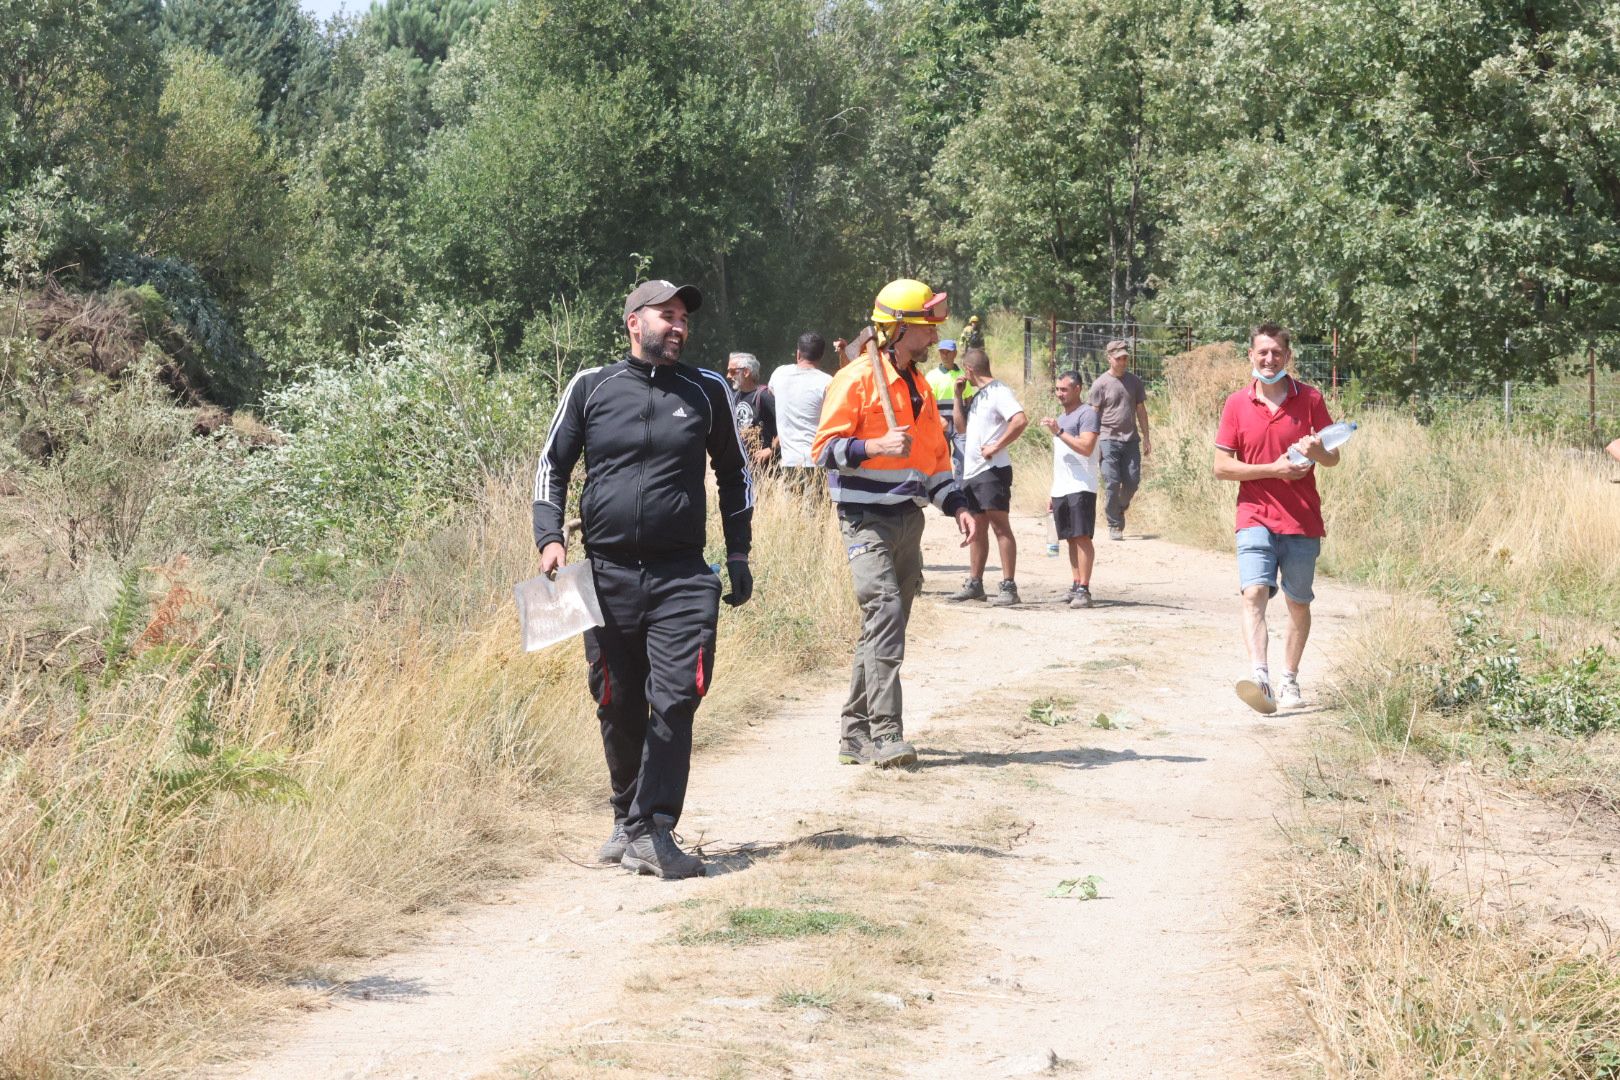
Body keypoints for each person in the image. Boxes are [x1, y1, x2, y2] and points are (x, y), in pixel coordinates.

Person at [533, 279, 755, 879]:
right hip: (603, 574)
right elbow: (552, 465)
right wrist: (549, 537)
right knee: (616, 699)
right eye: (667, 315)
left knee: (678, 695)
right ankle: (624, 817)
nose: (679, 326)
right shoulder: (590, 386)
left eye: (684, 317)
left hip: (682, 574)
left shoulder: (706, 390)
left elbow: (735, 476)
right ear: (634, 322)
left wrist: (739, 555)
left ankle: (653, 827)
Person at [813, 278, 976, 768]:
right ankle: (886, 735)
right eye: (927, 328)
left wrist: (958, 506)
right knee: (884, 616)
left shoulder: (920, 387)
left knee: (882, 627)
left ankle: (853, 734)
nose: (934, 338)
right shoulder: (857, 378)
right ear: (899, 328)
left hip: (908, 521)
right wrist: (873, 447)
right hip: (865, 521)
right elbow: (823, 451)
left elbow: (934, 467)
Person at [1213, 323, 1340, 715]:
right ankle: (1261, 678)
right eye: (1262, 352)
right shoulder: (1236, 403)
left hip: (1302, 520)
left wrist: (1317, 450)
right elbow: (1221, 467)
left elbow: (1333, 458)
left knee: (1297, 603)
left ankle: (1288, 678)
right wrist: (1272, 469)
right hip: (1254, 515)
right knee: (1253, 594)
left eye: (1277, 353)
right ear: (1250, 356)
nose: (1269, 360)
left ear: (1288, 357)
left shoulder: (1311, 399)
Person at [947, 348, 1027, 606]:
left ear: (969, 369)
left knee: (999, 526)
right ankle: (975, 583)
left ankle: (1008, 585)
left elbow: (1020, 420)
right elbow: (960, 429)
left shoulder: (999, 392)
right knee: (977, 528)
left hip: (992, 471)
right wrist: (957, 397)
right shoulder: (979, 395)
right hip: (972, 472)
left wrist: (996, 446)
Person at [1040, 370, 1101, 609]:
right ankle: (1076, 584)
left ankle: (1085, 589)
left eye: (1064, 389)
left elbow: (1086, 447)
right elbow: (1060, 458)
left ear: (1078, 389)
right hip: (1063, 487)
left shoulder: (1087, 414)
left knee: (1082, 536)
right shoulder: (1061, 417)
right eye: (1057, 389)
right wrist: (1053, 492)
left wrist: (1059, 432)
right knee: (1070, 539)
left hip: (1082, 486)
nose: (1059, 394)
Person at [1088, 339, 1150, 541]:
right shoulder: (1100, 384)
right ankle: (1114, 523)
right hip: (1108, 439)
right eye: (1119, 358)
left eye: (1125, 358)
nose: (1123, 362)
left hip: (1131, 440)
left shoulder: (1134, 381)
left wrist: (1147, 437)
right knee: (1112, 482)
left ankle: (1120, 507)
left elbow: (1141, 409)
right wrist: (1092, 442)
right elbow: (1093, 415)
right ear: (1109, 358)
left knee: (1132, 481)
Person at [767, 332, 834, 492]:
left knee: (793, 514)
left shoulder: (779, 373)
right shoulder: (827, 382)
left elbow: (771, 391)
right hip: (817, 461)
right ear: (821, 355)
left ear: (798, 353)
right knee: (818, 515)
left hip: (789, 461)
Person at [923, 338, 975, 480]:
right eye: (942, 352)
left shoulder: (962, 376)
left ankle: (959, 487)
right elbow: (927, 403)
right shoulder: (931, 376)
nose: (944, 355)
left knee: (962, 457)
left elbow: (968, 400)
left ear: (955, 354)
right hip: (940, 425)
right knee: (942, 458)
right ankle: (945, 487)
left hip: (960, 425)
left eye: (948, 352)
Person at [726, 352, 776, 469]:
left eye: (732, 371)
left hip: (764, 470)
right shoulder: (735, 397)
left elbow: (786, 427)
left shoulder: (765, 396)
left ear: (746, 372)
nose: (728, 376)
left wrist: (771, 450)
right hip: (742, 467)